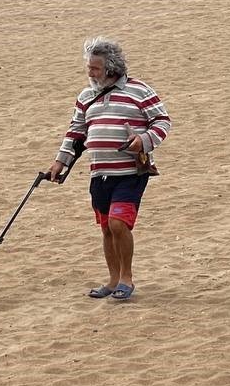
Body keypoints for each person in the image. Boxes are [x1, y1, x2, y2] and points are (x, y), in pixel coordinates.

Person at [47, 37, 172, 301]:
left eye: (95, 68)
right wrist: (60, 161)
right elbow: (75, 132)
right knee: (106, 227)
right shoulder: (86, 96)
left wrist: (143, 140)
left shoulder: (139, 90)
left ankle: (126, 278)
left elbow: (162, 121)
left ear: (111, 67)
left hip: (130, 173)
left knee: (118, 223)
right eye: (89, 68)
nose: (90, 73)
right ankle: (113, 280)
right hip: (99, 172)